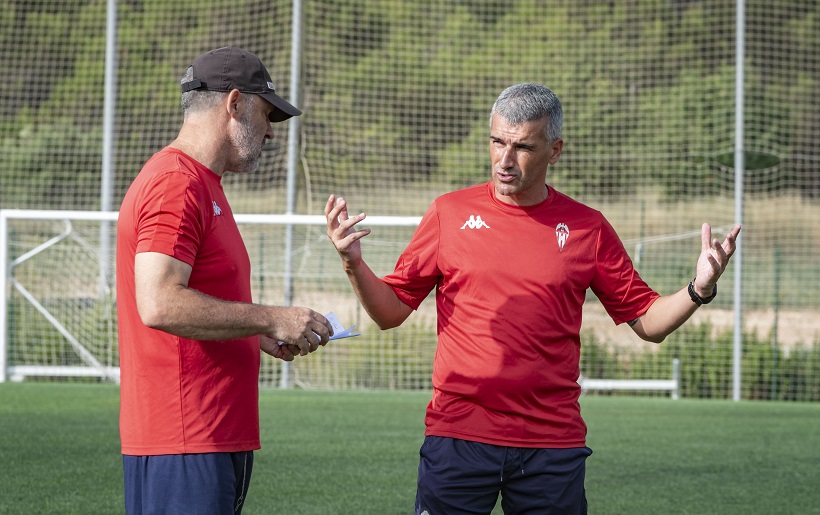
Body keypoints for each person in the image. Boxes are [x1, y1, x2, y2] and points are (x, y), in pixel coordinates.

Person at [325, 82, 741, 514]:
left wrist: (699, 289)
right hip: (459, 435)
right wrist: (354, 262)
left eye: (522, 147)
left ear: (554, 150)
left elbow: (648, 322)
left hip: (551, 445)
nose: (504, 160)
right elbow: (390, 312)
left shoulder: (588, 228)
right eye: (497, 142)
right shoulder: (448, 213)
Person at [116, 46, 333, 514]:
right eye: (266, 114)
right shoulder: (176, 183)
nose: (271, 132)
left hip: (206, 435)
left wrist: (256, 335)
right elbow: (158, 302)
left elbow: (196, 298)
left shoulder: (202, 182)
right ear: (234, 104)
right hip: (184, 438)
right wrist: (271, 317)